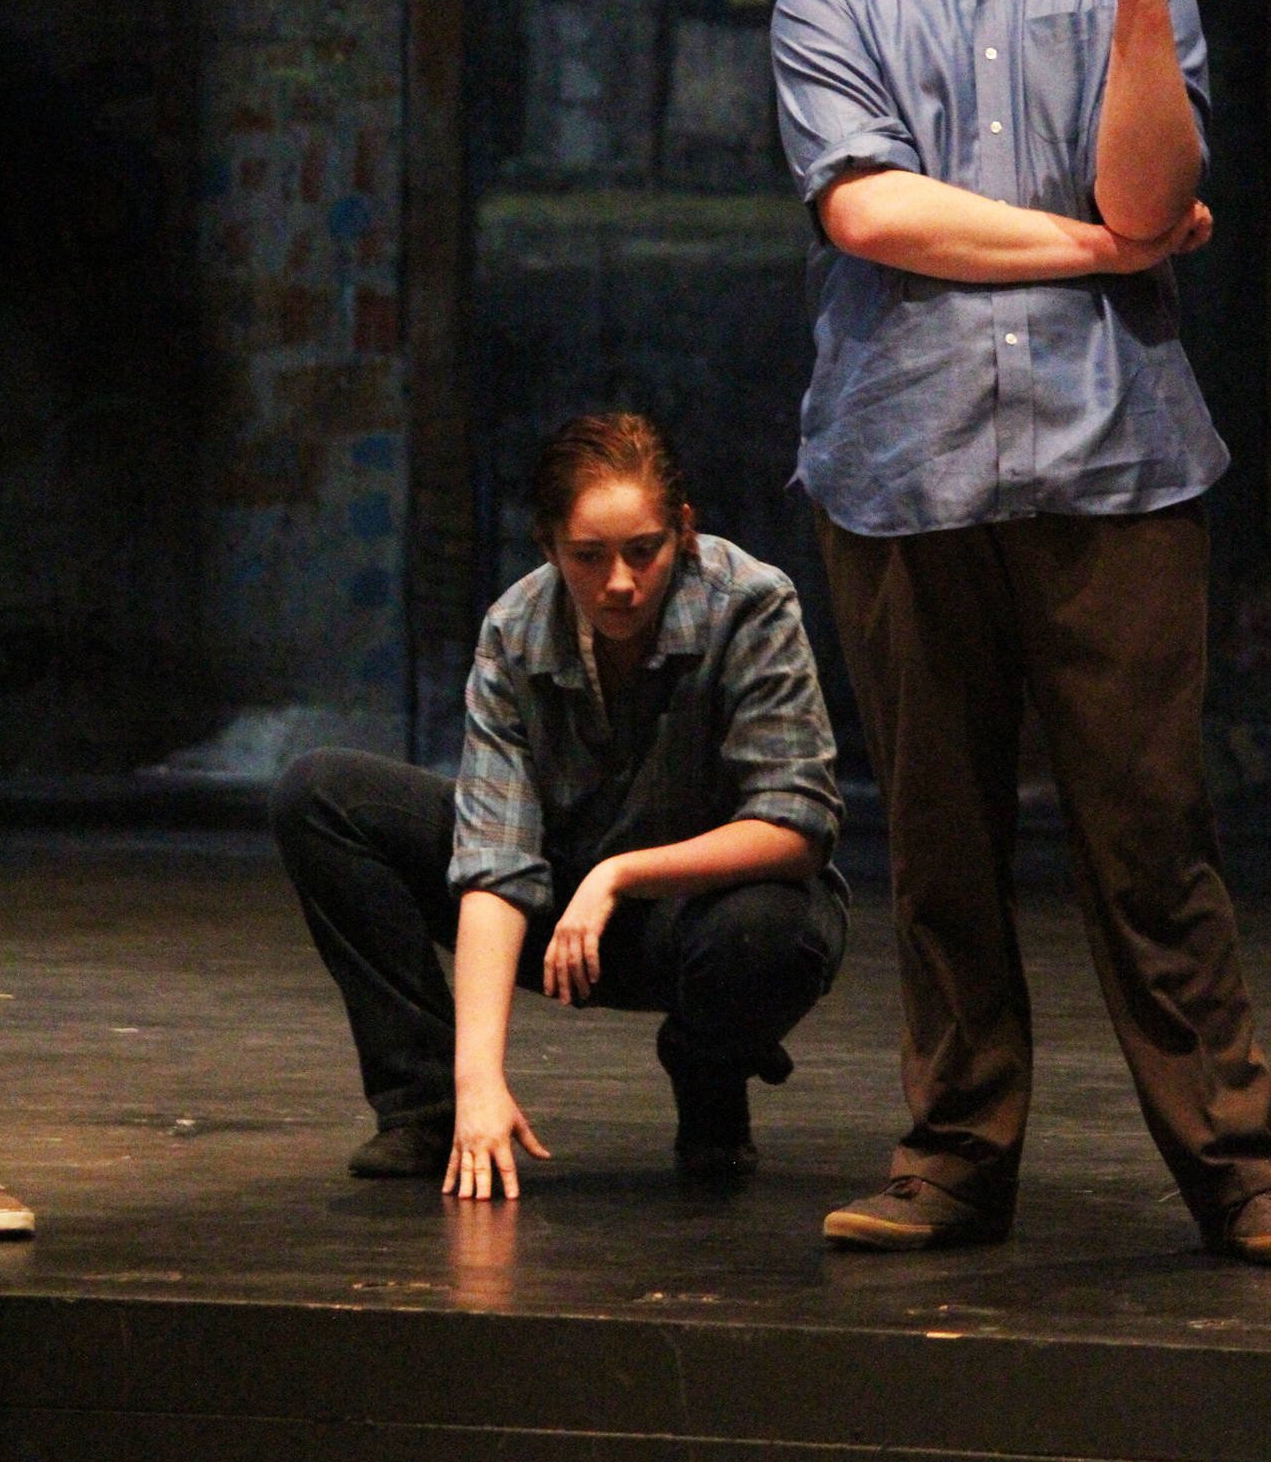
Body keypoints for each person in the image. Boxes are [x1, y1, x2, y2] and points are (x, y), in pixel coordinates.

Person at [770, 0, 1271, 1266]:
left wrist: (1137, 2)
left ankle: (1238, 1167)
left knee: (1151, 838)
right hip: (905, 464)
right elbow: (875, 214)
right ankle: (952, 1160)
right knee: (943, 844)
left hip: (1114, 460)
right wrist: (1097, 254)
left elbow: (1154, 198)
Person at [272, 412, 848, 1194]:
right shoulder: (515, 630)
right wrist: (482, 1079)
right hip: (559, 916)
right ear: (547, 547)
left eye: (643, 551)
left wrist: (617, 876)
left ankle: (708, 1073)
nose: (619, 581)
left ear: (682, 530)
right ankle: (428, 1108)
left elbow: (796, 826)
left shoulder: (747, 604)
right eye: (588, 557)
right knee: (322, 794)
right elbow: (495, 860)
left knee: (772, 933)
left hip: (702, 911)